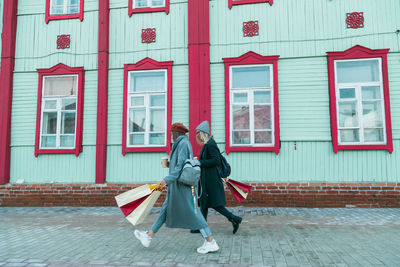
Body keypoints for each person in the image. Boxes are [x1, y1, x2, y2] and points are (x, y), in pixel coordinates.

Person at [134, 122, 219, 254]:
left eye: (171, 134)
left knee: (194, 212)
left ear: (176, 133)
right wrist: (169, 164)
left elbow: (180, 168)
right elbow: (181, 165)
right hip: (177, 185)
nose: (171, 136)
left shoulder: (183, 144)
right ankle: (149, 236)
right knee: (165, 209)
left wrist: (166, 180)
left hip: (183, 187)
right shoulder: (181, 144)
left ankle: (210, 241)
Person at [193, 121, 242, 234]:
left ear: (203, 133)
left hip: (212, 180)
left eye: (198, 133)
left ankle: (235, 219)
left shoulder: (211, 144)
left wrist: (199, 162)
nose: (197, 135)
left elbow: (215, 161)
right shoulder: (207, 144)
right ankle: (201, 226)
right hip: (207, 179)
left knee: (215, 205)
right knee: (204, 204)